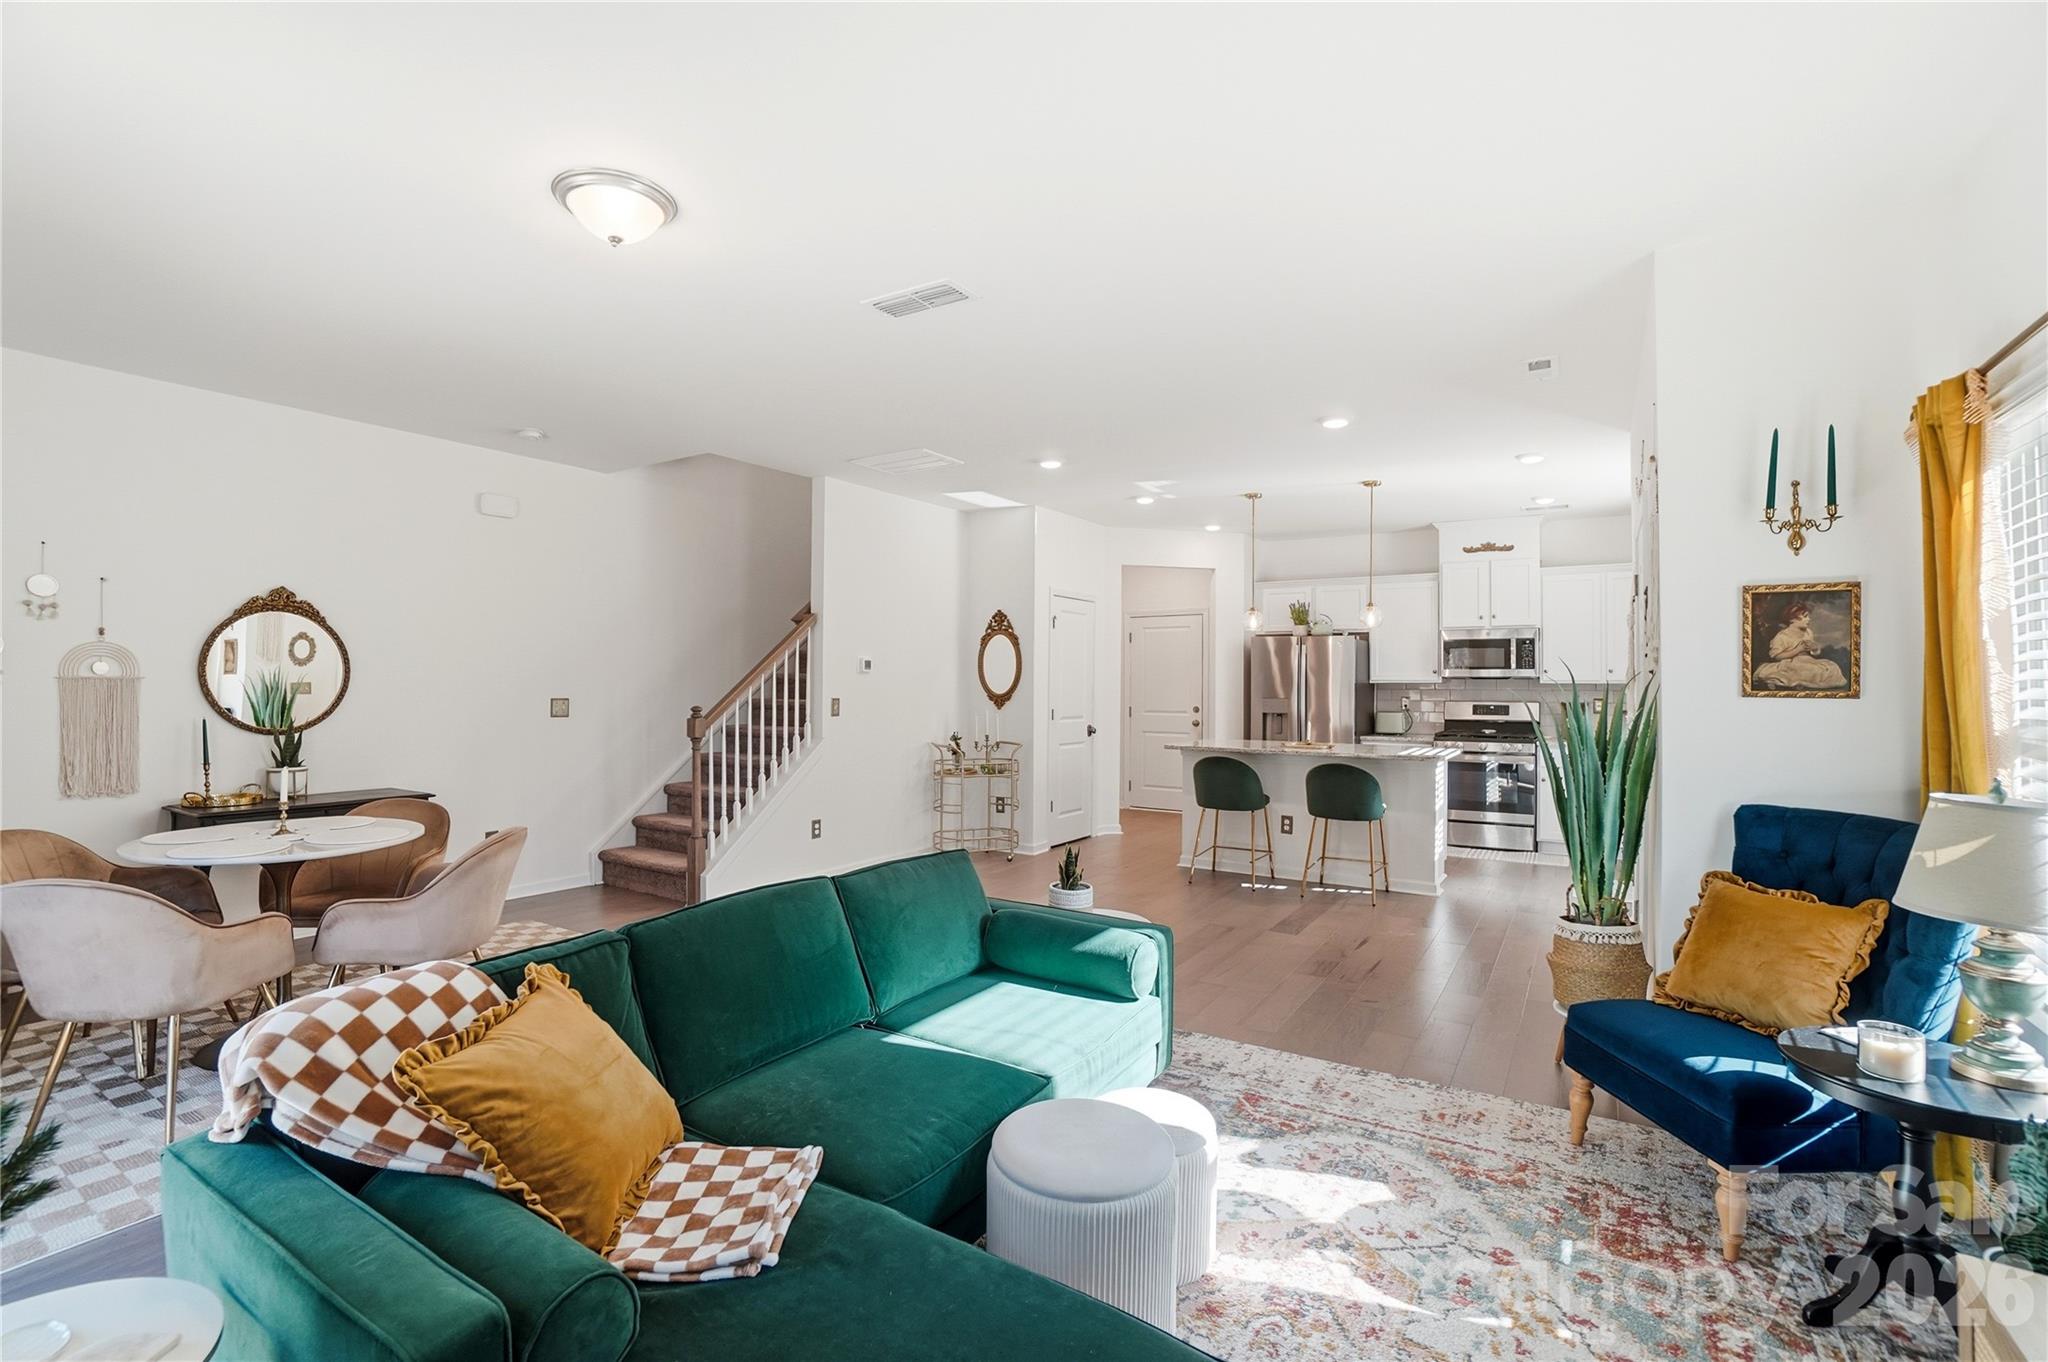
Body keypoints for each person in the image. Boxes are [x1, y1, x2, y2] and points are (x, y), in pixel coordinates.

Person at [1753, 602, 1846, 689]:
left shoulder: (1808, 632)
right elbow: (1777, 656)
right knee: (1807, 670)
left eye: (1808, 616)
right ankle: (1791, 682)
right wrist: (1797, 650)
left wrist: (1814, 649)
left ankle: (1803, 681)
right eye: (1805, 616)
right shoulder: (1782, 636)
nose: (1809, 619)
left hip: (1808, 660)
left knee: (1832, 666)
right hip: (1791, 662)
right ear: (1792, 619)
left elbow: (1813, 652)